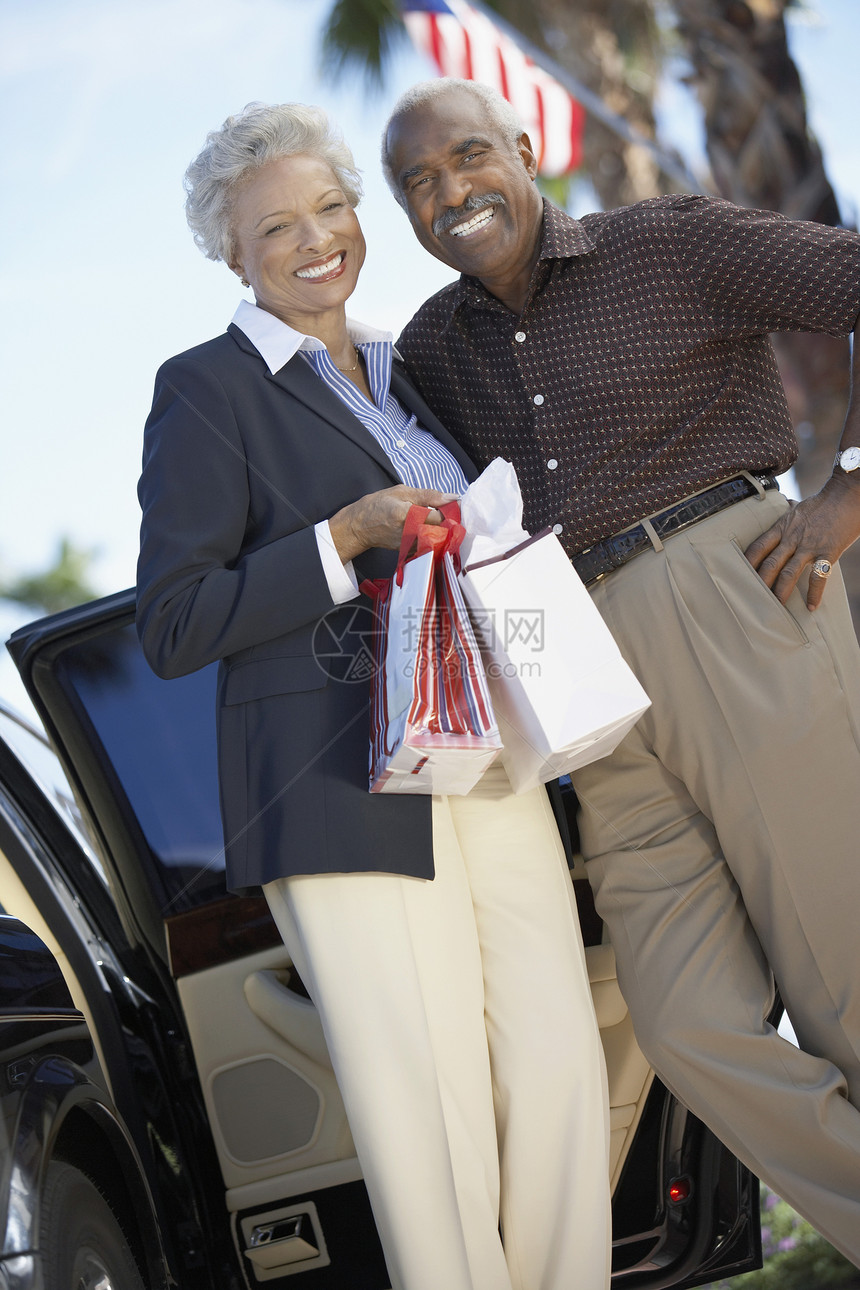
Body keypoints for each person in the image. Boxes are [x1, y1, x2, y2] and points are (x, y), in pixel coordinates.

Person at [381, 77, 860, 1266]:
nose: (450, 193)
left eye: (468, 157)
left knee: (843, 972)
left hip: (737, 597)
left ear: (526, 150)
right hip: (578, 679)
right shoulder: (434, 348)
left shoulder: (669, 244)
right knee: (681, 1021)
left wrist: (852, 485)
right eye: (418, 183)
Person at [135, 101, 610, 1290]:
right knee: (425, 1112)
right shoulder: (206, 389)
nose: (315, 241)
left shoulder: (416, 364)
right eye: (276, 227)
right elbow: (174, 624)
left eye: (333, 209)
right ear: (230, 256)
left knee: (556, 1061)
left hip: (484, 758)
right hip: (338, 784)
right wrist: (339, 538)